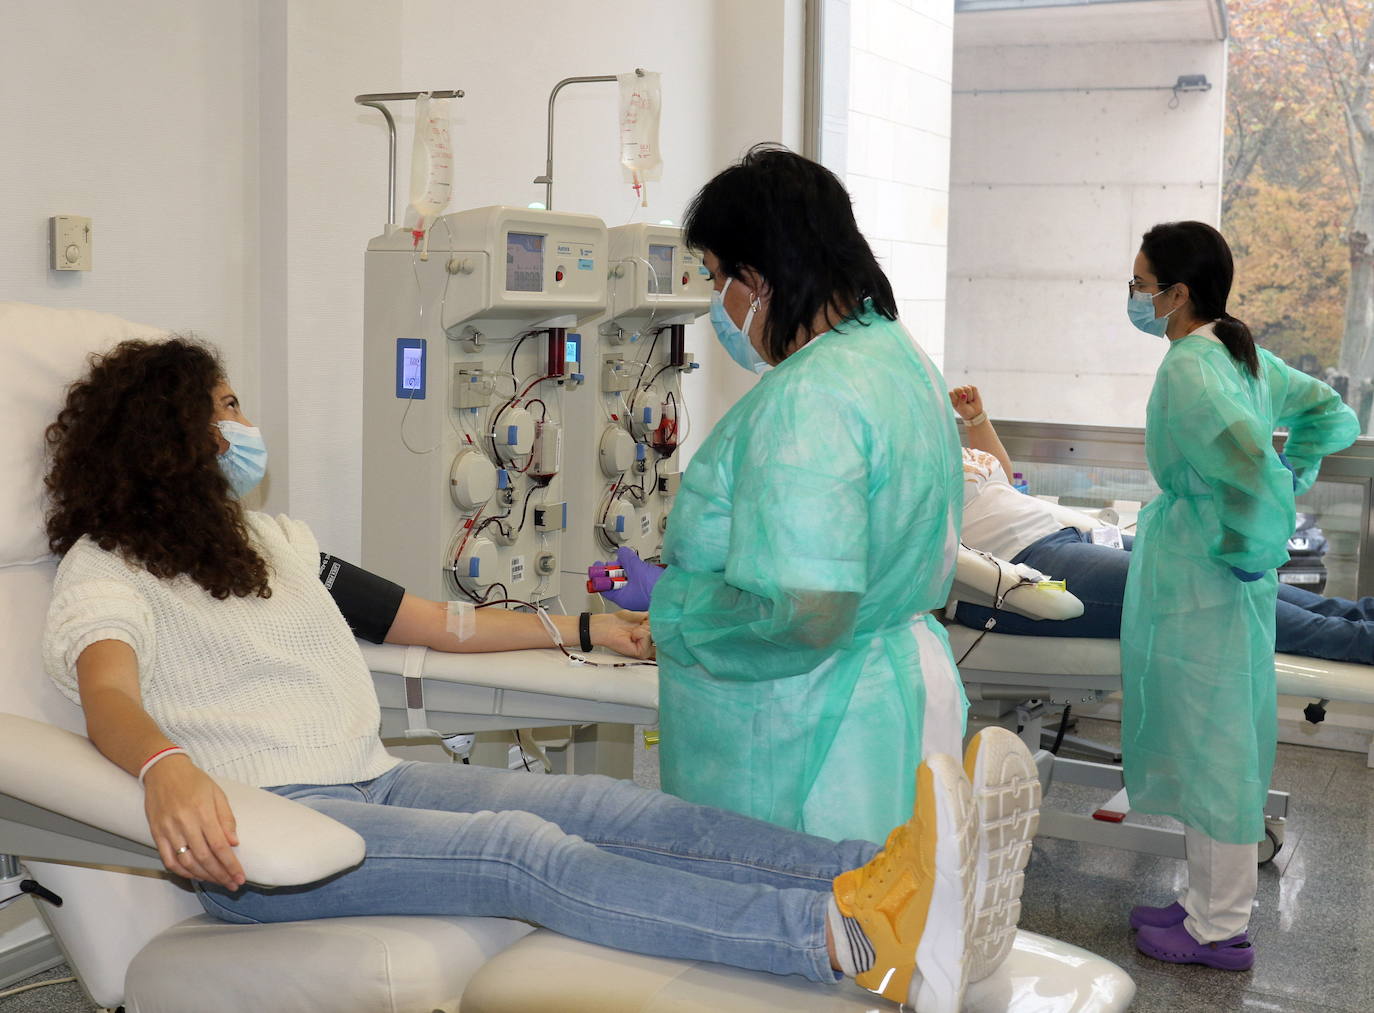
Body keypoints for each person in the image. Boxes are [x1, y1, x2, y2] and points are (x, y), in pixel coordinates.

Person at [39, 335, 1034, 1010]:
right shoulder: (104, 565)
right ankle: (843, 934)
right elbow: (109, 695)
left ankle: (884, 870)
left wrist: (591, 619)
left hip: (368, 777)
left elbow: (437, 621)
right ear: (168, 434)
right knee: (521, 848)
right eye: (225, 406)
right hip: (263, 836)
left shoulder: (274, 539)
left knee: (611, 807)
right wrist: (167, 768)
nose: (245, 424)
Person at [647, 145, 972, 849]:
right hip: (890, 700)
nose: (713, 304)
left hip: (809, 738)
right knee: (895, 931)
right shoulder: (897, 356)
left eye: (713, 277)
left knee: (809, 937)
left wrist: (677, 609)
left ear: (756, 279)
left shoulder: (810, 398)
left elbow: (806, 610)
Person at [1114, 222, 1358, 970]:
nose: (1132, 296)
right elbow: (1326, 414)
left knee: (1215, 749)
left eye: (1139, 282)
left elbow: (1254, 471)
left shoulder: (1192, 365)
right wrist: (1295, 480)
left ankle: (1218, 926)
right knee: (1210, 740)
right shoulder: (1238, 350)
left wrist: (1247, 544)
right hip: (1216, 573)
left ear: (1177, 293)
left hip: (1204, 577)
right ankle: (1200, 902)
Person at [948, 384, 1374, 665]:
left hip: (1062, 539)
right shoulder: (902, 478)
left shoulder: (942, 450)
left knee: (1221, 576)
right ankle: (1359, 641)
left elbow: (999, 477)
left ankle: (1360, 616)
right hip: (1020, 573)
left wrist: (975, 421)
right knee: (1211, 595)